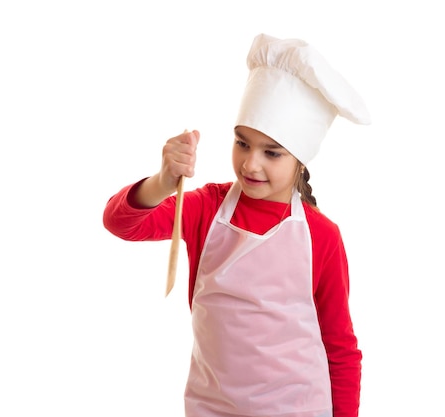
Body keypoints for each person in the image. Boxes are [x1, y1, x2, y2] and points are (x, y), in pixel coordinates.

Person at [103, 33, 371, 417]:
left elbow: (341, 348)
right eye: (242, 143)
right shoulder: (206, 209)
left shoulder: (322, 237)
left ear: (300, 159)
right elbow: (121, 222)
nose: (250, 164)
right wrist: (163, 182)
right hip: (212, 408)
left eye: (271, 152)